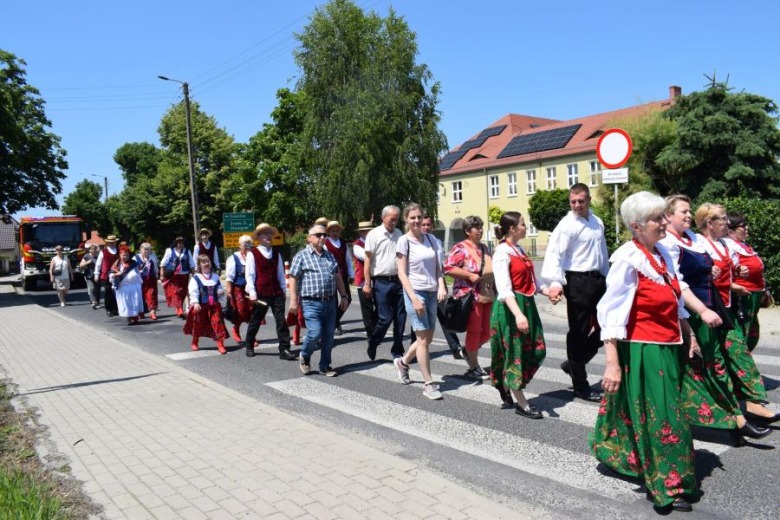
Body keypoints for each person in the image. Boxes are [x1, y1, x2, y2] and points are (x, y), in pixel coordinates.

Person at [592, 191, 705, 512]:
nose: (664, 222)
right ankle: (668, 485)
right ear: (636, 226)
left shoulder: (663, 254)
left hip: (669, 347)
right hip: (644, 349)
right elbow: (611, 313)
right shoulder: (628, 258)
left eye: (663, 216)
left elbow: (676, 297)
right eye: (657, 218)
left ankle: (639, 461)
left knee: (648, 411)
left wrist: (690, 332)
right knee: (665, 416)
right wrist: (612, 363)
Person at [661, 196, 769, 443]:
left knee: (716, 365)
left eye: (689, 211)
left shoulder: (693, 240)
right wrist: (692, 318)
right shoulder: (668, 243)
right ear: (668, 216)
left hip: (710, 308)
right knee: (697, 370)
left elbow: (699, 270)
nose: (689, 216)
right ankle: (734, 418)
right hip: (691, 313)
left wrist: (711, 270)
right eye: (684, 212)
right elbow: (677, 284)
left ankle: (738, 415)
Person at [695, 203, 776, 432]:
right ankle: (735, 410)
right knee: (718, 359)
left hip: (726, 309)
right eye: (722, 219)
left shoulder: (724, 244)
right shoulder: (699, 244)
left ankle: (750, 404)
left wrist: (735, 280)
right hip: (708, 309)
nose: (726, 223)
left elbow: (732, 270)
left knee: (737, 353)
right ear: (709, 223)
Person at [540, 183, 608, 402]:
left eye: (581, 201)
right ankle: (581, 384)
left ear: (589, 200)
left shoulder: (597, 222)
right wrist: (555, 283)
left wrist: (608, 277)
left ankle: (573, 364)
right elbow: (554, 254)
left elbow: (603, 252)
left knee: (606, 326)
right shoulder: (567, 224)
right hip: (577, 281)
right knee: (578, 332)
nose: (577, 205)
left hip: (598, 279)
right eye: (573, 202)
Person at [490, 212, 551, 418]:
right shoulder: (502, 252)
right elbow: (504, 289)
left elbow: (530, 279)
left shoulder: (519, 249)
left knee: (537, 349)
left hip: (527, 304)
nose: (527, 227)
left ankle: (505, 383)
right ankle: (522, 403)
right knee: (515, 353)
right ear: (513, 229)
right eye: (523, 224)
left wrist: (546, 290)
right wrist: (518, 315)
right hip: (511, 307)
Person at [725, 212, 778, 424]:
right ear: (730, 229)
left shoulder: (744, 246)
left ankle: (738, 385)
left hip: (753, 300)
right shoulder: (728, 246)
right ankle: (748, 397)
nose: (746, 228)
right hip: (740, 302)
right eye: (742, 226)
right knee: (740, 348)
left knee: (751, 338)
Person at [393, 204, 448, 400]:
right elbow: (401, 272)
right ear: (406, 220)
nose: (416, 221)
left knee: (428, 337)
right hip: (415, 292)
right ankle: (428, 383)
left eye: (419, 217)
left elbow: (438, 267)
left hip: (433, 291)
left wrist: (441, 285)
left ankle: (403, 362)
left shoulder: (432, 239)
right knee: (423, 340)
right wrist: (414, 298)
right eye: (412, 217)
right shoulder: (403, 241)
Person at [288, 225, 349, 377]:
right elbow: (293, 278)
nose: (323, 237)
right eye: (318, 235)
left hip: (330, 301)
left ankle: (325, 366)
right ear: (309, 238)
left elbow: (338, 276)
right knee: (315, 332)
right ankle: (305, 355)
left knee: (329, 335)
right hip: (310, 302)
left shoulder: (329, 256)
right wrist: (294, 301)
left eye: (324, 235)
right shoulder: (301, 256)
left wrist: (344, 296)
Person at [443, 215, 492, 380]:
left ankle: (467, 351)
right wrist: (469, 275)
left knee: (488, 332)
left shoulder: (485, 248)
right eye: (476, 228)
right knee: (474, 332)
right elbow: (448, 268)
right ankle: (474, 366)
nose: (480, 230)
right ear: (467, 231)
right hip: (470, 297)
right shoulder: (460, 248)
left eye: (481, 227)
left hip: (487, 294)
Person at [244, 223, 296, 360]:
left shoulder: (276, 253)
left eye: (269, 233)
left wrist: (284, 290)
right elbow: (250, 275)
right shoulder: (252, 254)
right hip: (261, 292)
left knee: (281, 321)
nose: (268, 236)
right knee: (256, 319)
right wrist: (252, 292)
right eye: (265, 234)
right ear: (259, 237)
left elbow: (280, 273)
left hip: (276, 292)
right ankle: (249, 344)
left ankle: (284, 349)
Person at [364, 206, 406, 360]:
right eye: (391, 219)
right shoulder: (374, 234)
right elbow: (367, 260)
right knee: (385, 318)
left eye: (396, 219)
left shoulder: (399, 234)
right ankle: (374, 341)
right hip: (381, 282)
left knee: (400, 318)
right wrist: (367, 284)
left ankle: (397, 351)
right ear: (383, 218)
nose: (394, 222)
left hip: (398, 281)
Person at [421, 215, 463, 360]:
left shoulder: (436, 241)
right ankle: (417, 350)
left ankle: (455, 347)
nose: (426, 227)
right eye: (423, 225)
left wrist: (442, 285)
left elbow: (441, 265)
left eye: (428, 224)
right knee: (421, 321)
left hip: (439, 283)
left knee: (445, 316)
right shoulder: (414, 242)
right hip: (422, 287)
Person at [184, 254, 229, 354]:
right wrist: (195, 302)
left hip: (214, 305)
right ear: (199, 265)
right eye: (203, 262)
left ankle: (220, 344)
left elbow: (219, 288)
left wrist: (220, 291)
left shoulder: (215, 277)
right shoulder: (196, 278)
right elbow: (193, 291)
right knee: (198, 324)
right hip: (201, 305)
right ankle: (195, 341)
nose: (206, 264)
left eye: (207, 261)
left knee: (218, 323)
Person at [324, 221, 354, 335]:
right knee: (334, 301)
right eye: (333, 231)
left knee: (347, 299)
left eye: (337, 231)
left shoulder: (343, 242)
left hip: (343, 275)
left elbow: (347, 259)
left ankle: (335, 321)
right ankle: (335, 324)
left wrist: (351, 275)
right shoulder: (325, 244)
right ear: (328, 232)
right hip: (331, 276)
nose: (335, 233)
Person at [224, 235, 255, 343]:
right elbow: (229, 277)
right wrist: (229, 291)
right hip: (238, 289)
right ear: (239, 245)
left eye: (249, 244)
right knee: (241, 312)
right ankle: (236, 328)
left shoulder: (253, 257)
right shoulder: (233, 258)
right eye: (245, 244)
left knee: (253, 313)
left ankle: (252, 337)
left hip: (251, 289)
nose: (248, 246)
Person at [352, 220, 378, 339]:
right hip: (363, 281)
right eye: (368, 231)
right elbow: (367, 256)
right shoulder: (357, 245)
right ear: (362, 233)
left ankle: (374, 328)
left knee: (382, 306)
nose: (371, 233)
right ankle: (370, 333)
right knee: (367, 309)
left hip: (377, 279)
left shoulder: (375, 243)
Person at [161, 237, 193, 319]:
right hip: (174, 276)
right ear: (175, 243)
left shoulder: (187, 251)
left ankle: (179, 307)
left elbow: (192, 263)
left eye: (182, 243)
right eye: (178, 243)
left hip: (184, 275)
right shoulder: (169, 250)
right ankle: (180, 309)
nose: (180, 244)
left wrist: (194, 273)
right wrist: (162, 274)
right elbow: (163, 263)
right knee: (176, 292)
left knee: (183, 292)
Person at [111, 246, 144, 326]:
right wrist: (116, 274)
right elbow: (110, 274)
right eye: (123, 255)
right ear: (120, 255)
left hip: (133, 287)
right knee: (125, 303)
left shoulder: (133, 263)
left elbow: (138, 274)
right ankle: (128, 318)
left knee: (134, 303)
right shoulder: (116, 264)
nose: (125, 257)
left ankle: (135, 317)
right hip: (123, 288)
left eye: (127, 255)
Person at [94, 235, 119, 316]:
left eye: (113, 242)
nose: (112, 244)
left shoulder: (119, 251)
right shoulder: (103, 252)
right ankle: (108, 309)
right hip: (106, 276)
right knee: (108, 293)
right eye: (110, 242)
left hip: (117, 275)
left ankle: (116, 308)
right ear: (107, 243)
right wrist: (96, 274)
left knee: (117, 292)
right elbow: (98, 264)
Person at [135, 243, 159, 320]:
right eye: (144, 249)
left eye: (148, 249)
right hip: (140, 280)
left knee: (151, 295)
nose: (146, 250)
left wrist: (156, 275)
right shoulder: (135, 258)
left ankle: (152, 312)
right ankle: (141, 312)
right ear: (140, 249)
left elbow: (155, 267)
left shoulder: (152, 257)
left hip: (151, 280)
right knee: (140, 297)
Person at [79, 244, 99, 309]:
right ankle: (93, 302)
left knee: (97, 289)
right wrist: (87, 262)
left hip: (97, 275)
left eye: (95, 249)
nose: (93, 250)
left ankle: (96, 301)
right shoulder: (86, 256)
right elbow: (81, 265)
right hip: (89, 275)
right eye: (92, 249)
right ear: (89, 250)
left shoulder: (98, 256)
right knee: (91, 288)